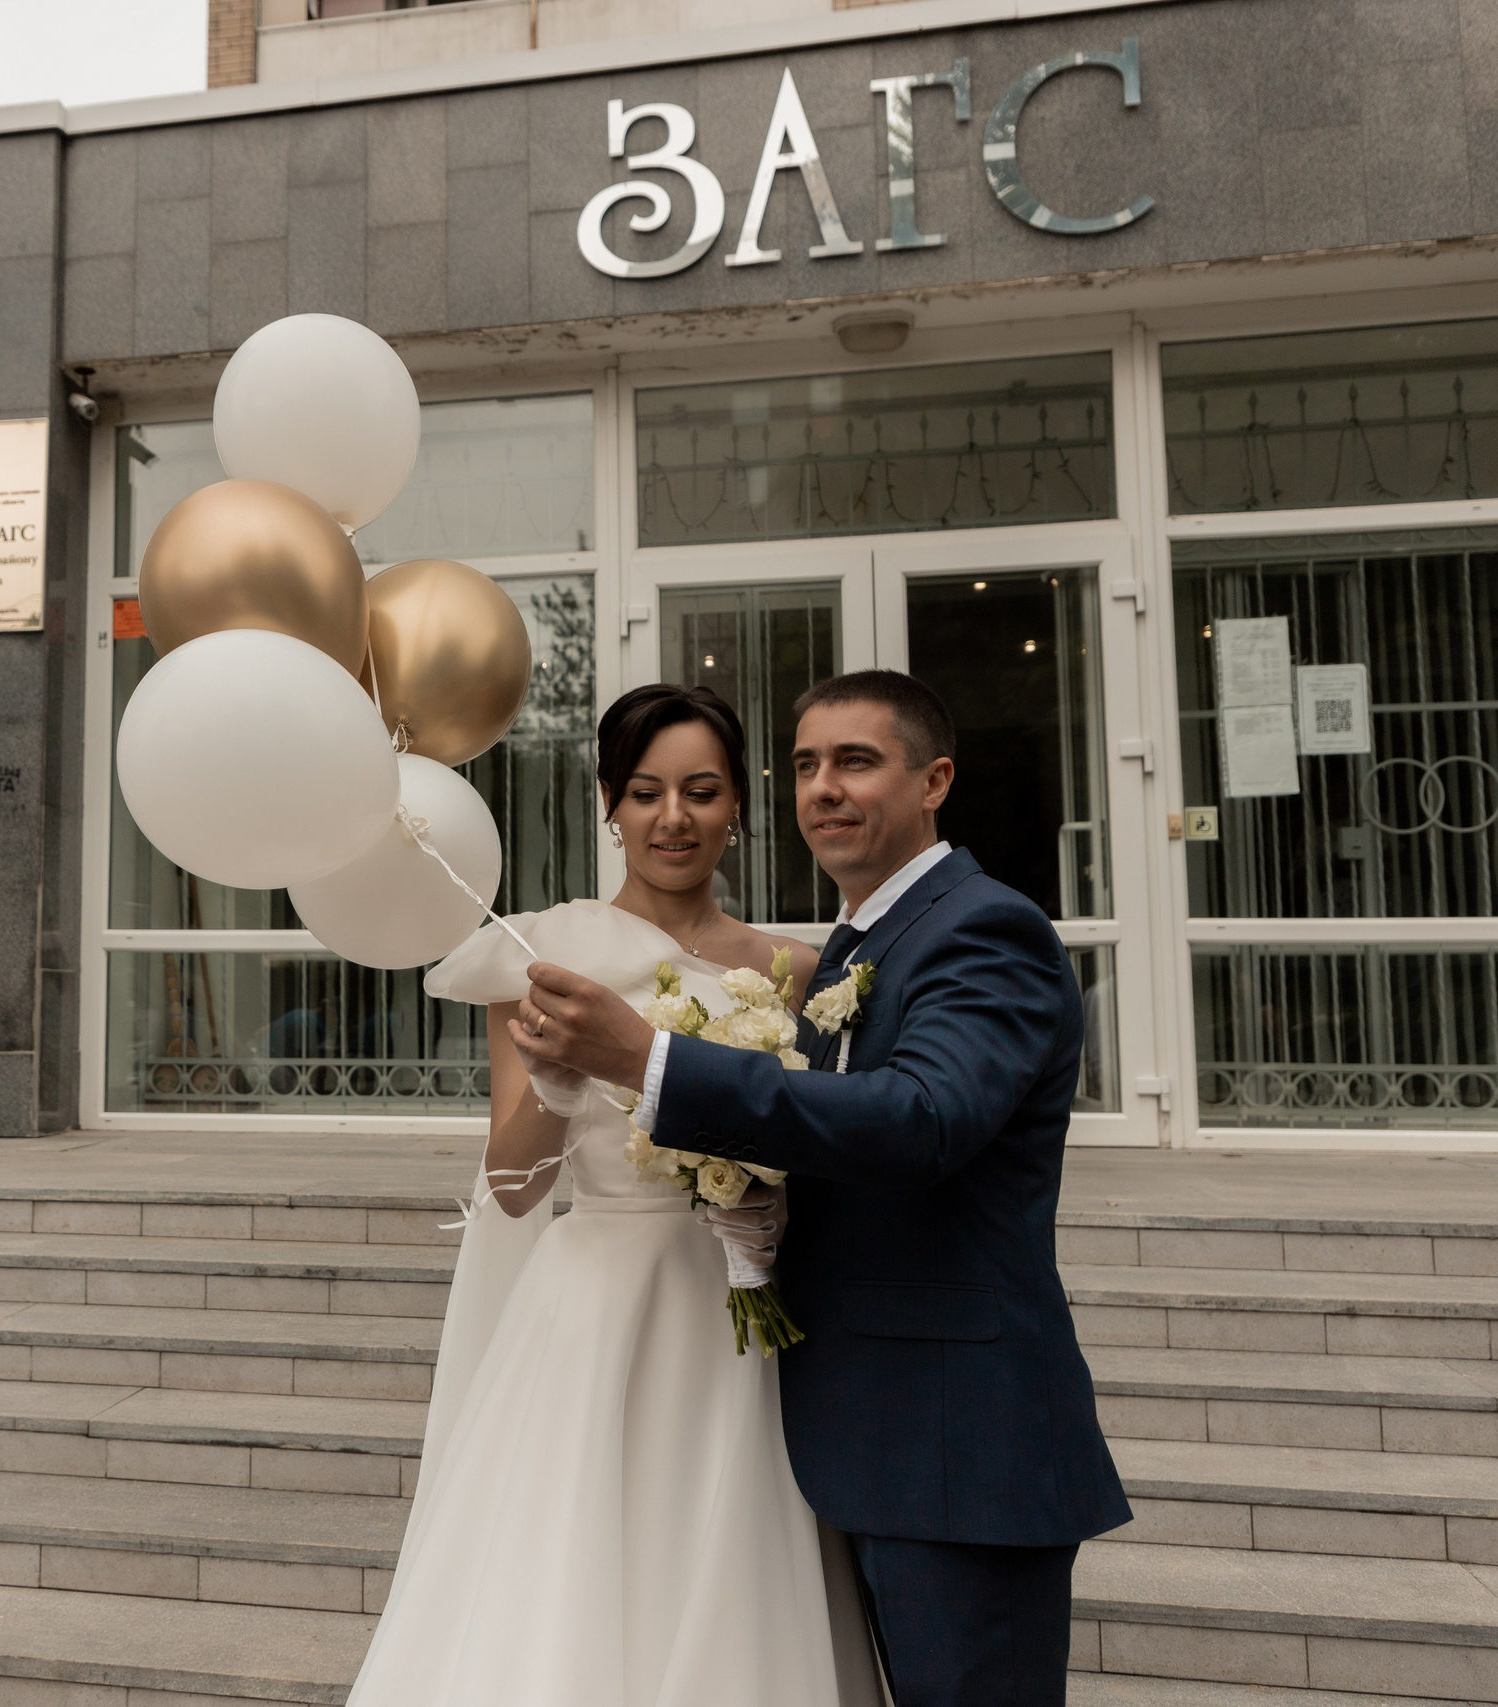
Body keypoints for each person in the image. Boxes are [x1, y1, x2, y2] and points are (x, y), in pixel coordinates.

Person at [514, 670, 1130, 1707]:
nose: (824, 789)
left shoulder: (984, 930)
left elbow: (923, 1118)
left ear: (934, 779)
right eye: (806, 765)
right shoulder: (860, 945)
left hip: (955, 1449)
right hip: (850, 1429)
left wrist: (650, 1064)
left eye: (856, 761)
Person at [346, 683, 881, 1707]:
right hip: (595, 1312)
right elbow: (509, 1189)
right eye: (644, 792)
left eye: (699, 790)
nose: (671, 817)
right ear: (608, 803)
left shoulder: (797, 970)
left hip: (743, 1318)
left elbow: (831, 1147)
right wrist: (552, 1087)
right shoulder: (542, 954)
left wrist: (770, 1201)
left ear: (737, 804)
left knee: (736, 1558)